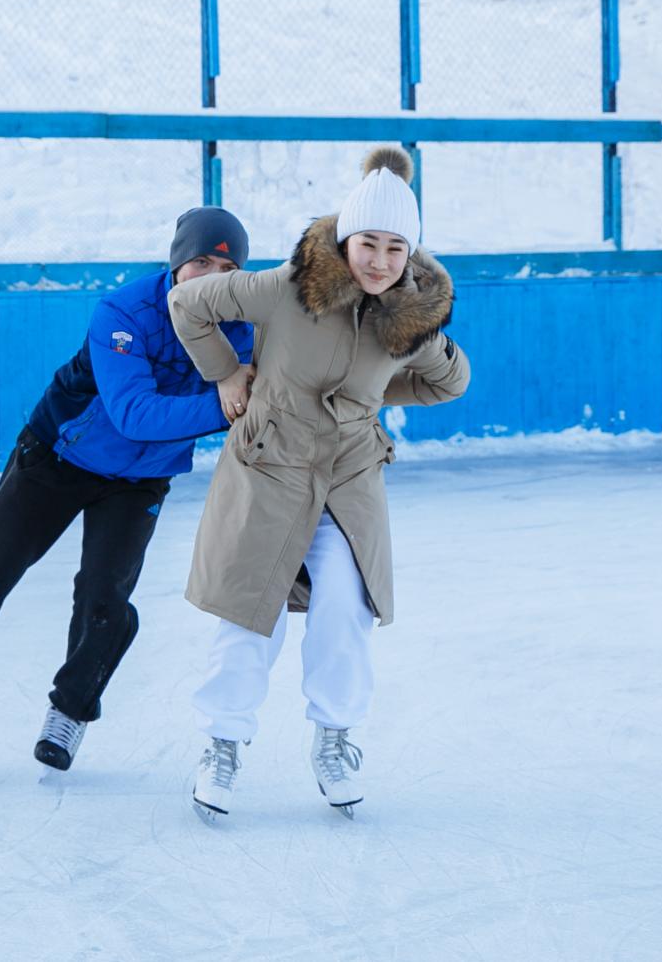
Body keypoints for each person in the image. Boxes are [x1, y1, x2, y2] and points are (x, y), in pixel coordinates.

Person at [0, 207, 257, 774]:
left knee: (105, 599)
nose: (212, 276)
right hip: (58, 456)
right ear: (176, 263)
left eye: (226, 265)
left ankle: (70, 710)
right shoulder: (125, 310)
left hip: (140, 479)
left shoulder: (245, 329)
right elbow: (132, 413)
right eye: (199, 262)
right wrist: (227, 400)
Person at [167, 146, 470, 821]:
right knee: (250, 616)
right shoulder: (283, 288)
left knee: (346, 605)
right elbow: (188, 302)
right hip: (269, 467)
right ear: (344, 237)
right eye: (368, 242)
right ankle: (222, 745)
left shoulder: (406, 318)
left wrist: (390, 371)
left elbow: (450, 381)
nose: (379, 261)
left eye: (396, 248)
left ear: (411, 255)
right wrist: (224, 371)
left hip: (347, 479)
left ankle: (335, 741)